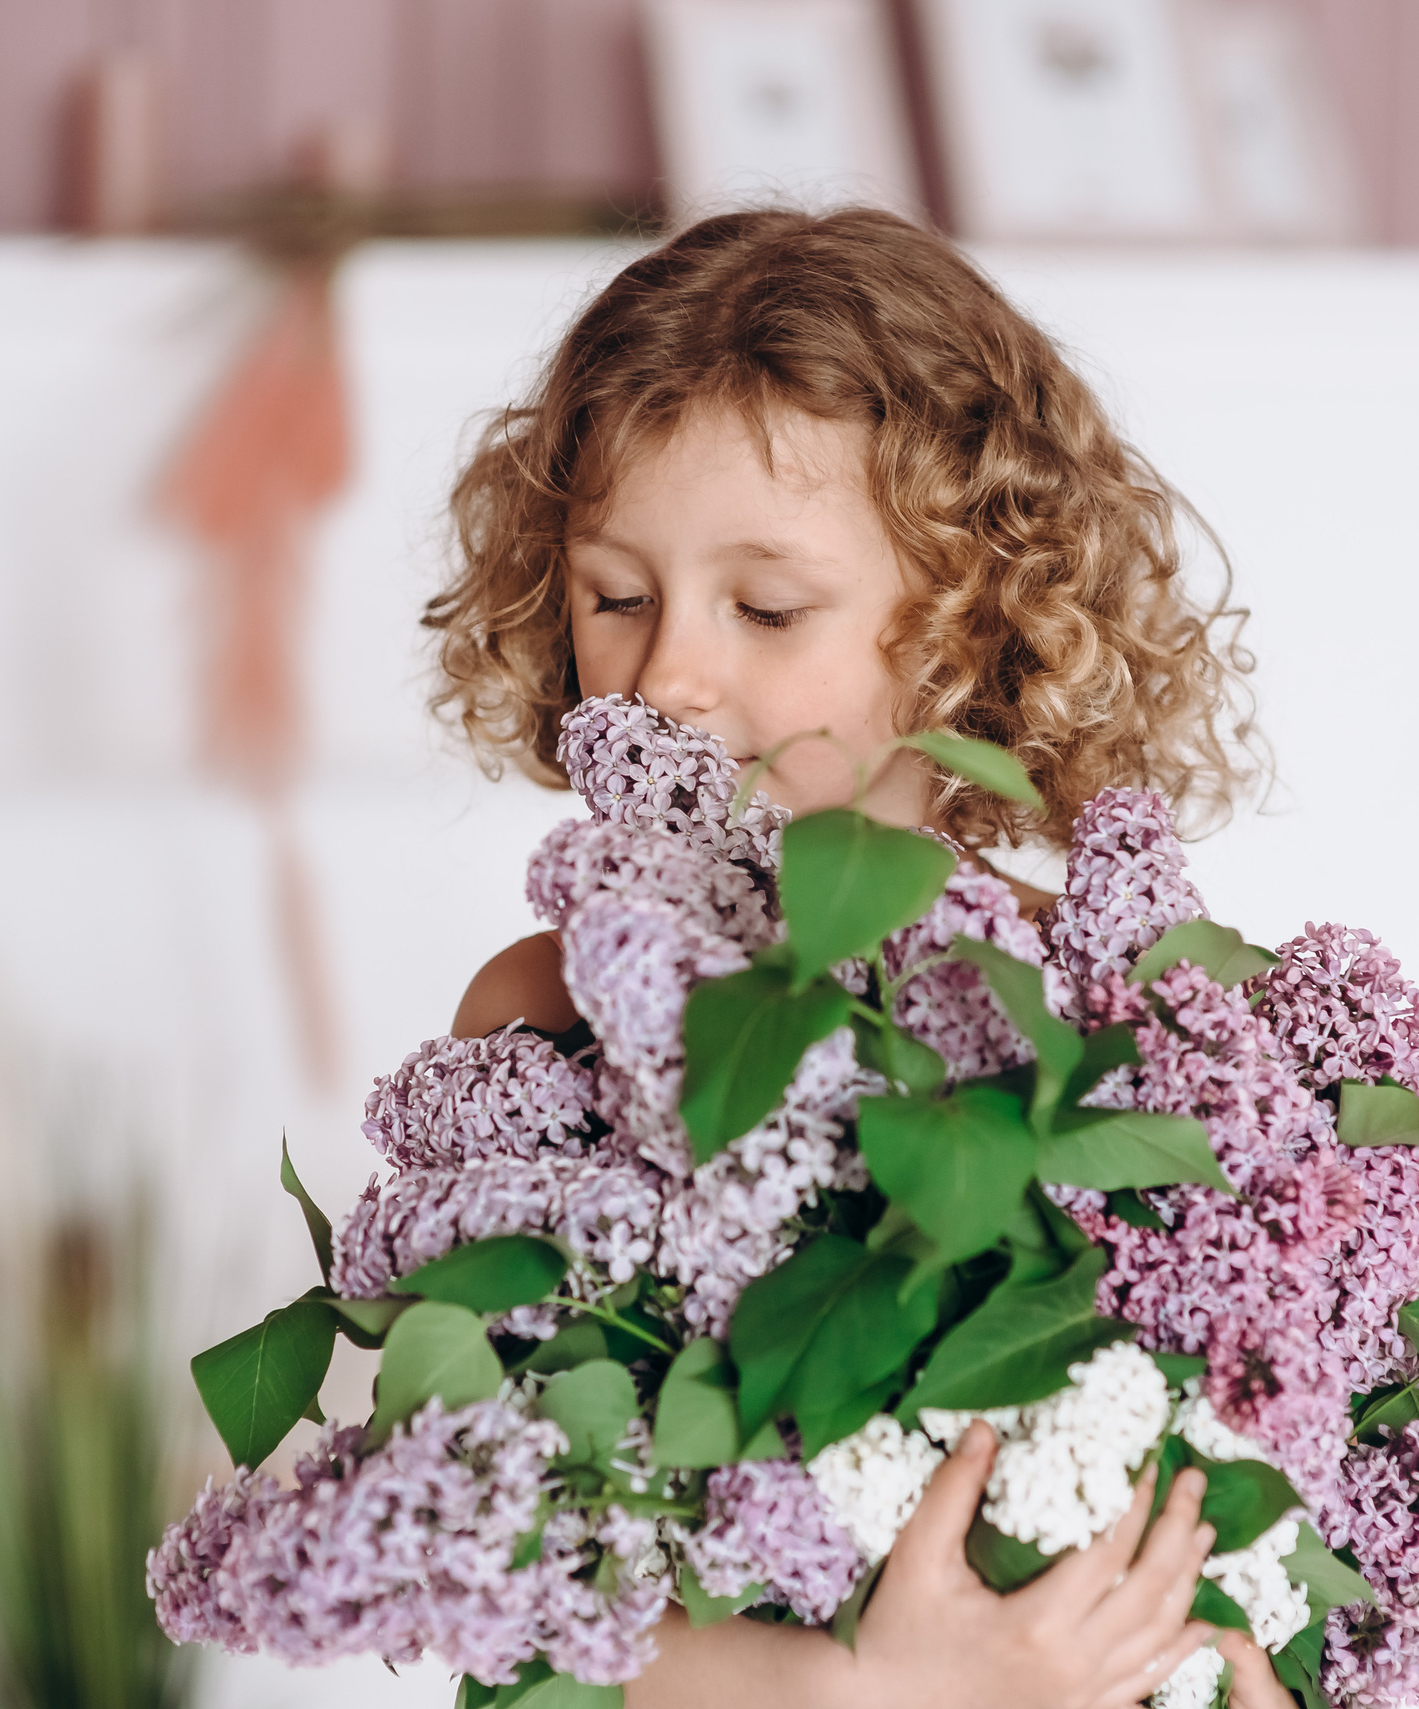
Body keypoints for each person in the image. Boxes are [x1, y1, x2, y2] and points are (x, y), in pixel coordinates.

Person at [426, 207, 1287, 1709]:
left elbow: (1228, 1546)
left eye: (765, 606)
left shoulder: (1091, 1014)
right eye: (615, 595)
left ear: (966, 629)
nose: (669, 676)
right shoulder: (542, 1019)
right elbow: (506, 1582)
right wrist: (872, 1688)